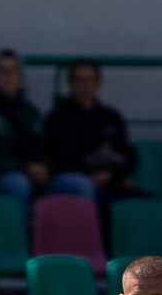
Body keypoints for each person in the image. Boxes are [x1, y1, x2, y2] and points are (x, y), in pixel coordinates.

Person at [0, 48, 93, 218]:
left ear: (21, 75)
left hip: (33, 178)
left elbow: (45, 149)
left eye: (13, 70)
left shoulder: (30, 112)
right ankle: (17, 242)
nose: (8, 76)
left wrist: (45, 169)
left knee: (80, 185)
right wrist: (22, 169)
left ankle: (78, 243)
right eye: (2, 71)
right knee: (17, 183)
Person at [44, 59, 141, 209]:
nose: (85, 86)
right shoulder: (57, 118)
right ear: (70, 84)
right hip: (75, 181)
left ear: (98, 83)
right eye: (80, 80)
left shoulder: (112, 117)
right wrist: (95, 177)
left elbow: (128, 154)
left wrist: (114, 177)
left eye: (90, 80)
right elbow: (64, 159)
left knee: (150, 202)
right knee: (99, 198)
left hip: (111, 181)